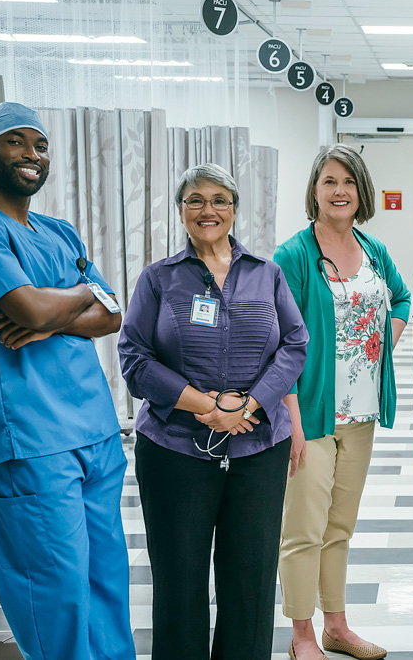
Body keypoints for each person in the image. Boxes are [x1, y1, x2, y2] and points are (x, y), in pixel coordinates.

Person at [0, 101, 135, 660]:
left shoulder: (59, 229)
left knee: (105, 582)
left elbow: (115, 313)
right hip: (28, 435)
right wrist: (82, 294)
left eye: (40, 144)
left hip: (93, 430)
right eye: (15, 141)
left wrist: (58, 313)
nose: (31, 153)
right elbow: (29, 308)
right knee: (54, 589)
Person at [117, 163, 309, 659]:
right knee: (179, 582)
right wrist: (206, 405)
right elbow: (134, 358)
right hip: (175, 447)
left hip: (258, 447)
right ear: (181, 211)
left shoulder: (266, 274)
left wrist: (250, 404)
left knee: (250, 584)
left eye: (220, 200)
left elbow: (295, 343)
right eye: (196, 200)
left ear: (235, 209)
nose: (209, 210)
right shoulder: (159, 279)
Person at [273, 144, 411, 660]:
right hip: (310, 411)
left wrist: (386, 339)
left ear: (362, 192)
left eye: (349, 183)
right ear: (314, 190)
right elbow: (278, 337)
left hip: (361, 411)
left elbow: (401, 296)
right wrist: (289, 418)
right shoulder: (293, 256)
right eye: (329, 181)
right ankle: (302, 635)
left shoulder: (372, 249)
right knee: (303, 530)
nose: (339, 191)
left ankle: (338, 626)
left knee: (340, 527)